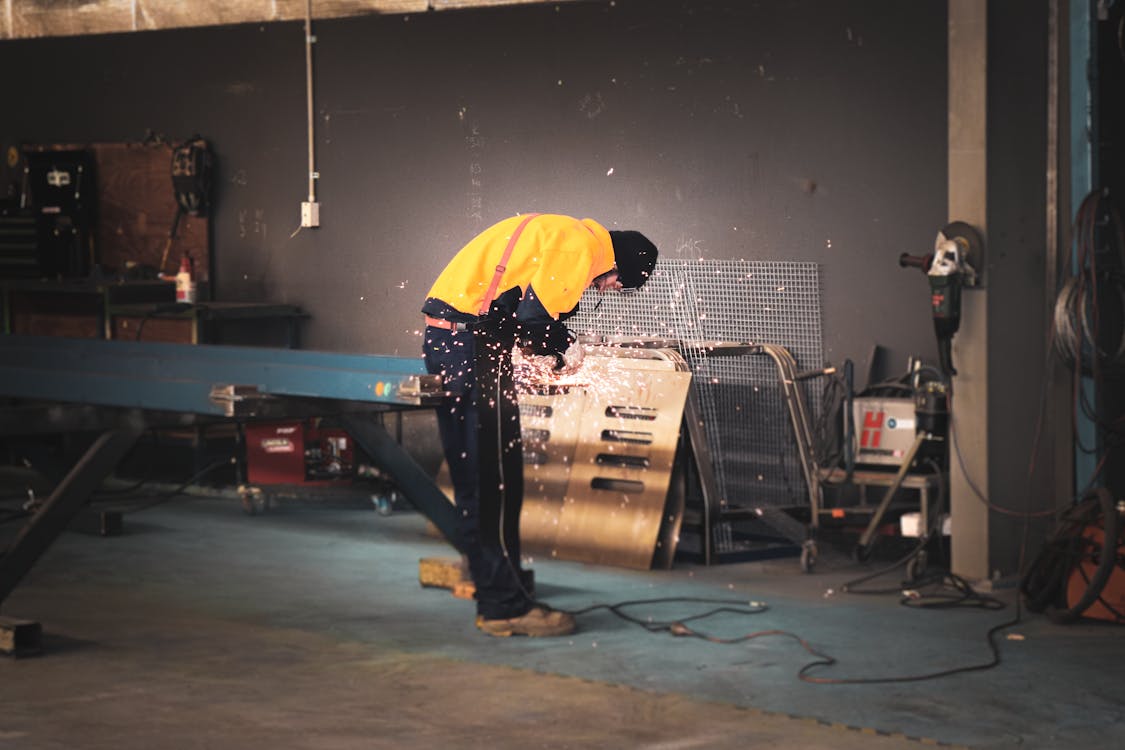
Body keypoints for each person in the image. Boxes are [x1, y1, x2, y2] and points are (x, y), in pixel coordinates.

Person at [421, 213, 658, 637]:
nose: (609, 289)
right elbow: (535, 319)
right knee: (494, 482)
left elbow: (519, 311)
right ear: (618, 265)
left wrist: (541, 350)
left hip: (455, 341)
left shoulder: (562, 232)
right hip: (472, 349)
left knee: (482, 477)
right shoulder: (581, 248)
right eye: (620, 284)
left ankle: (492, 580)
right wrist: (570, 349)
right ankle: (504, 608)